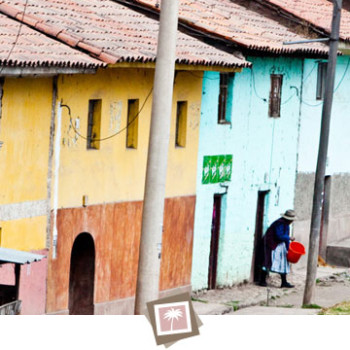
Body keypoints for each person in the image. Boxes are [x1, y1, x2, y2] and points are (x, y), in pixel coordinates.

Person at [258, 209, 296, 288]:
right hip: (270, 244)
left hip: (279, 244)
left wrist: (288, 249)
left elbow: (285, 237)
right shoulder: (279, 224)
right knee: (267, 261)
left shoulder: (286, 225)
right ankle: (262, 280)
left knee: (283, 262)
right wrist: (289, 238)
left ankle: (284, 282)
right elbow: (279, 235)